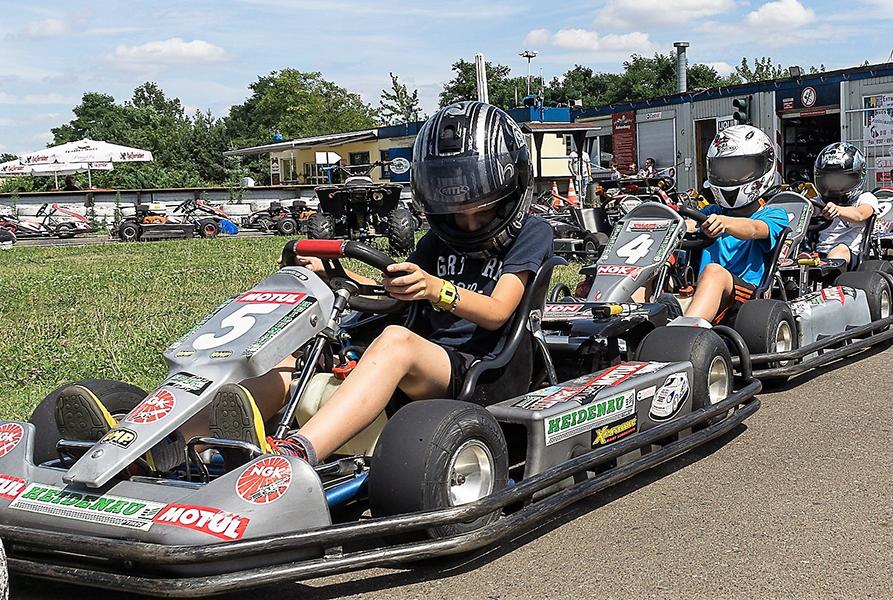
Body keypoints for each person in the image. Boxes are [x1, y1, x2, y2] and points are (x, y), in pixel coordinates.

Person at [53, 102, 554, 469]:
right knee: (295, 356)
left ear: (508, 185)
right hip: (420, 355)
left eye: (475, 199)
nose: (463, 212)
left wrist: (435, 290)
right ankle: (163, 444)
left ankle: (298, 451)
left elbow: (497, 311)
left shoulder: (532, 231)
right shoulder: (437, 237)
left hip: (483, 369)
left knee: (396, 342)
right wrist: (336, 280)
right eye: (450, 195)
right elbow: (392, 292)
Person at [683, 125, 789, 323]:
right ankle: (627, 326)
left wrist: (725, 224)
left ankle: (685, 334)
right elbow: (689, 224)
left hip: (748, 297)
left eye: (739, 170)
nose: (731, 178)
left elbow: (755, 229)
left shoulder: (774, 215)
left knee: (714, 272)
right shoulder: (712, 212)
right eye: (724, 170)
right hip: (706, 290)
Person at [811, 142, 877, 266]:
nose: (835, 185)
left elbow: (860, 214)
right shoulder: (818, 202)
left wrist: (838, 210)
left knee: (839, 250)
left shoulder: (866, 198)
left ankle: (830, 277)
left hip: (850, 253)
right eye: (829, 180)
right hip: (819, 253)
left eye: (841, 180)